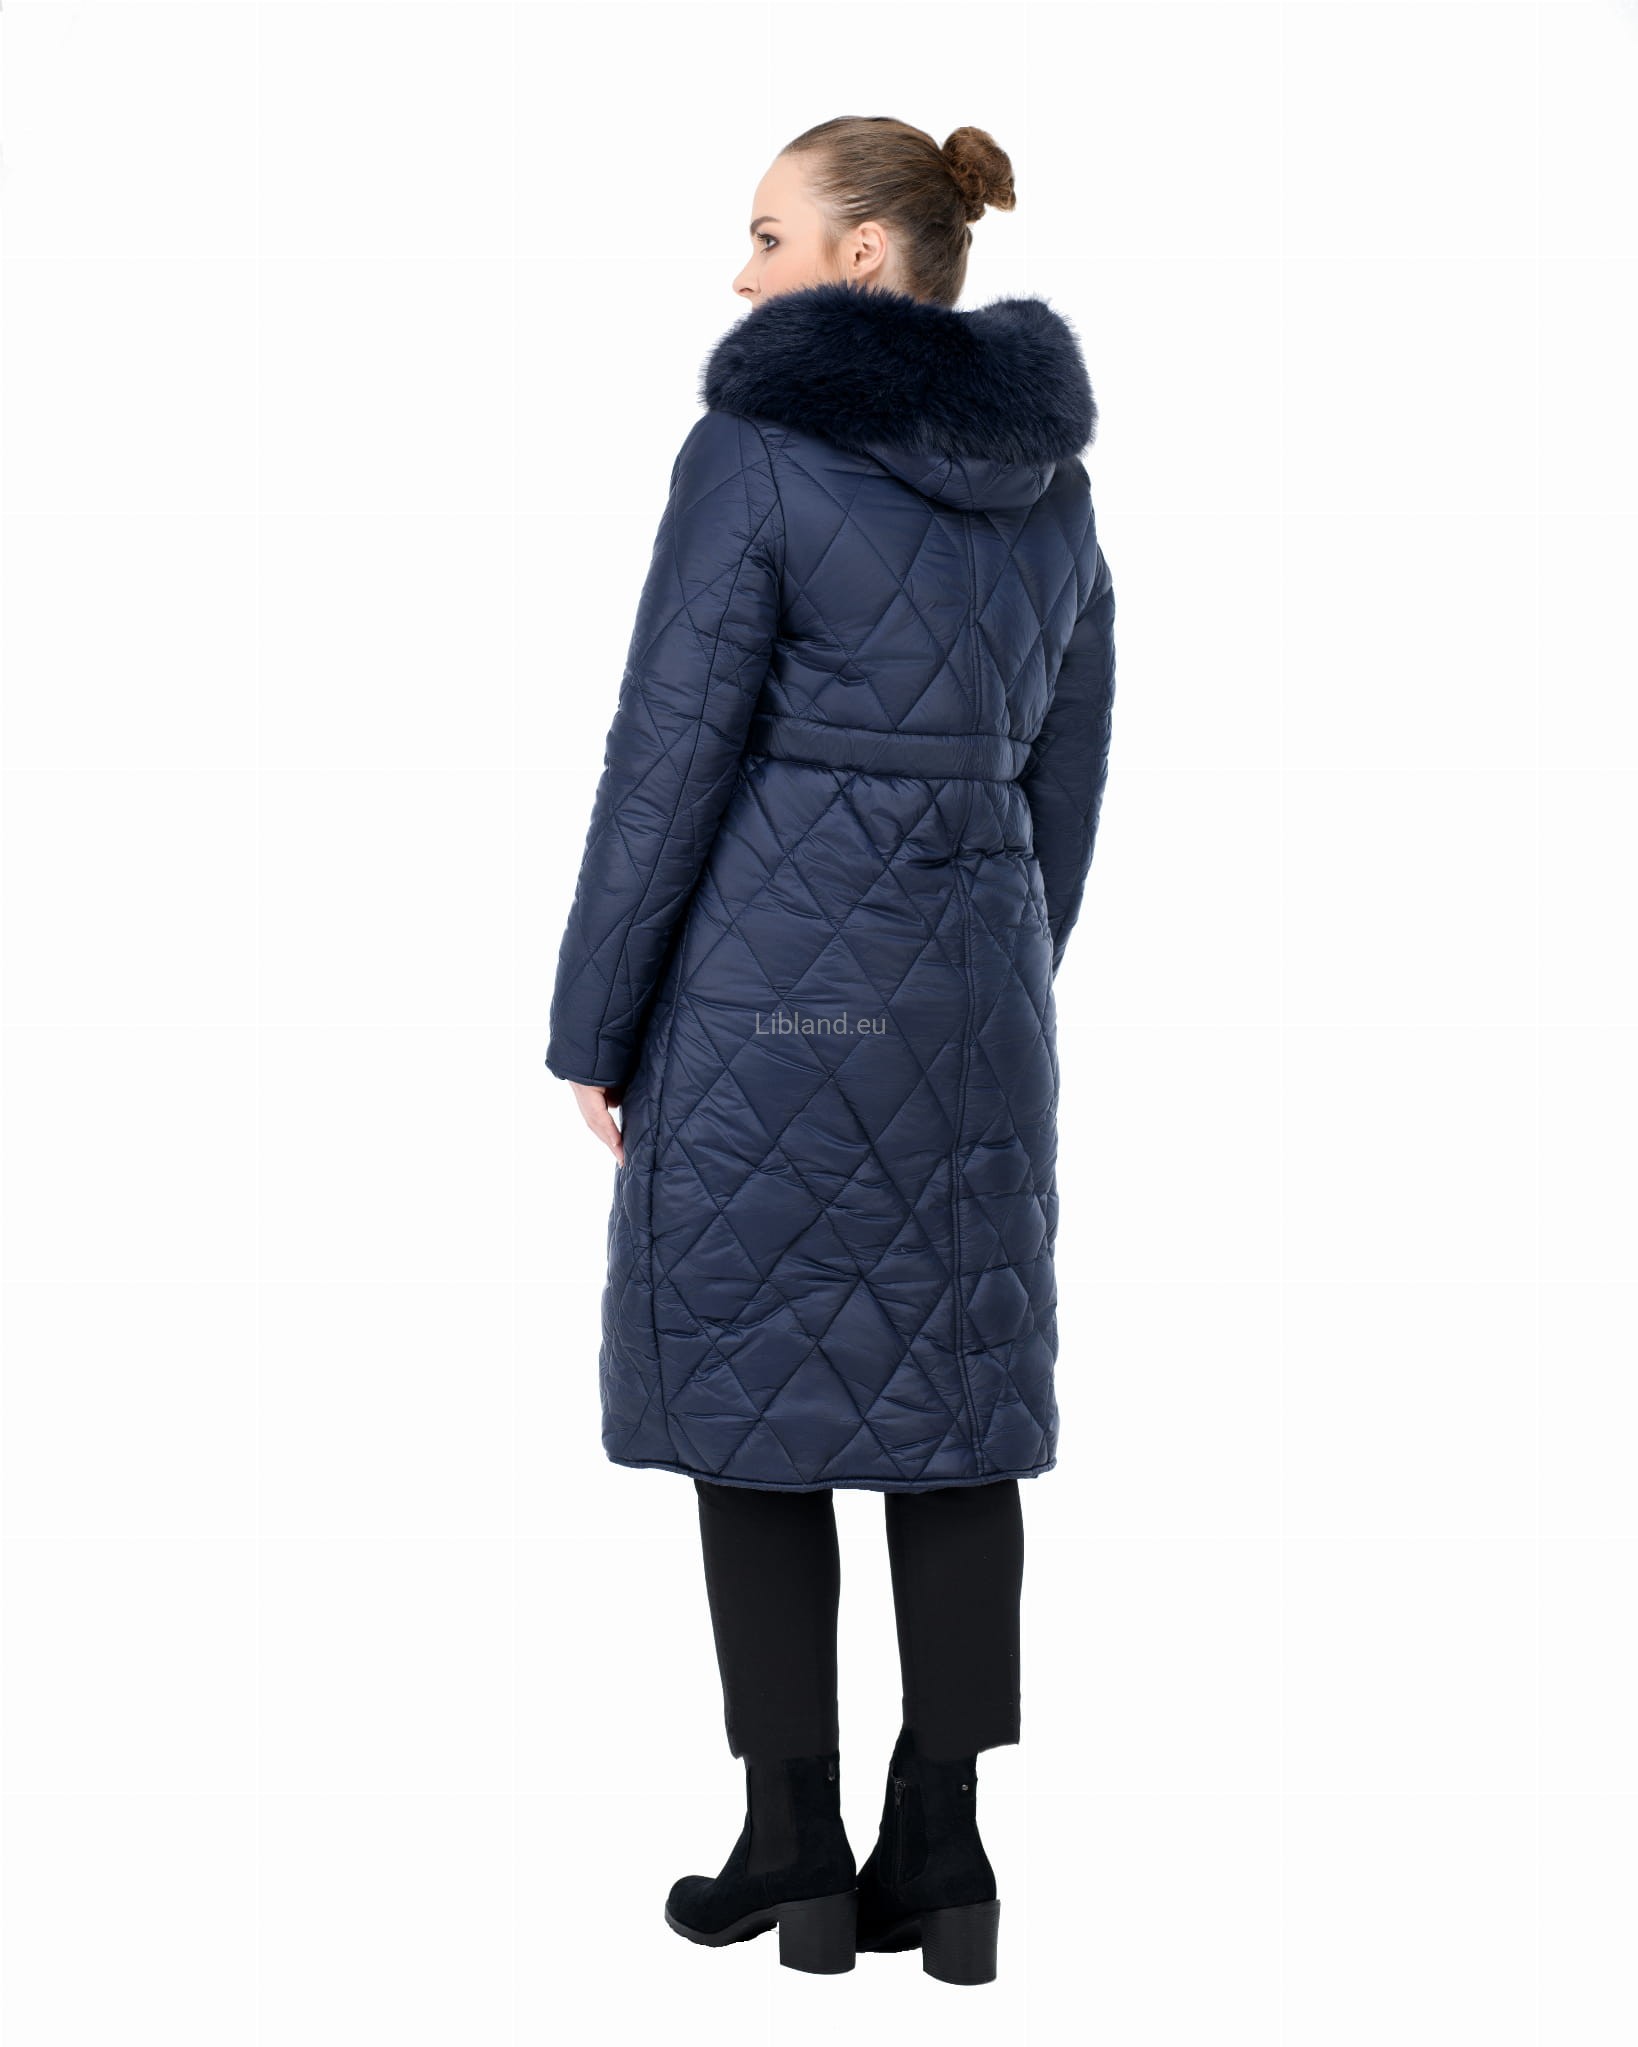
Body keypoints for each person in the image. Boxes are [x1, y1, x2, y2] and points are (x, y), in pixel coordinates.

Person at [544, 115, 1117, 1986]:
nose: (742, 273)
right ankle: (941, 1853)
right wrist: (1001, 969)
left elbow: (668, 751)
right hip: (973, 997)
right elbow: (1068, 767)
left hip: (766, 992)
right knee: (954, 1416)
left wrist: (595, 1017)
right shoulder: (1052, 479)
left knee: (754, 1398)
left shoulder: (757, 447)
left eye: (768, 232)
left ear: (863, 255)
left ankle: (788, 1841)